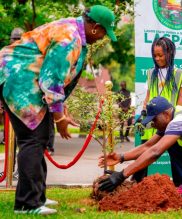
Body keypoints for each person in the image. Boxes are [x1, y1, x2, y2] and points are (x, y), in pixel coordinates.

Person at [0, 5, 117, 215]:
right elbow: (51, 79)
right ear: (95, 27)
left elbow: (60, 80)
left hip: (28, 81)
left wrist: (62, 111)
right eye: (103, 32)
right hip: (17, 79)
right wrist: (59, 116)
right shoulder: (69, 38)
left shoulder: (74, 33)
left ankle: (37, 196)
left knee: (41, 136)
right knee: (32, 138)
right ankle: (27, 204)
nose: (102, 38)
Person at [133, 36, 182, 183]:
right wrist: (142, 115)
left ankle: (180, 186)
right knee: (145, 149)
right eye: (155, 55)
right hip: (152, 119)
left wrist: (179, 120)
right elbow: (148, 96)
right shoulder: (151, 73)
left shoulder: (179, 74)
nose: (157, 58)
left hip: (171, 120)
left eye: (160, 55)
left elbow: (181, 100)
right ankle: (137, 183)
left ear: (169, 53)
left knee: (176, 153)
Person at [0, 27, 25, 180]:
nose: (15, 42)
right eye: (14, 39)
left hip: (22, 104)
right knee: (10, 140)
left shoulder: (26, 55)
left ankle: (18, 171)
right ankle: (10, 170)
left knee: (23, 141)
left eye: (18, 39)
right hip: (10, 103)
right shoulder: (5, 53)